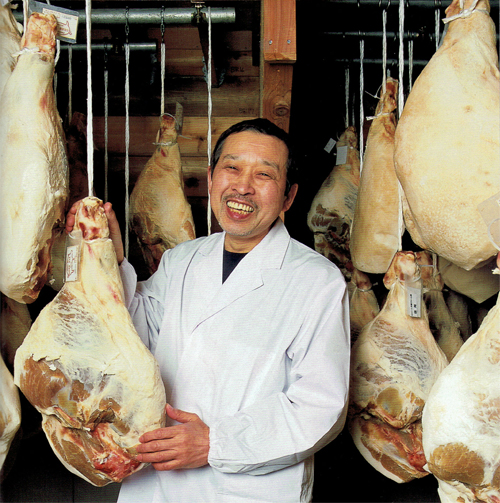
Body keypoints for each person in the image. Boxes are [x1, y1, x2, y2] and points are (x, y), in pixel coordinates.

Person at [67, 118, 350, 503]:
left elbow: (319, 407)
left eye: (264, 174)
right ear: (212, 177)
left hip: (246, 490)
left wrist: (216, 443)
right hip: (155, 482)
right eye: (232, 168)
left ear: (289, 196)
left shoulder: (316, 281)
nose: (243, 186)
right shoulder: (181, 260)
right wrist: (110, 258)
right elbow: (131, 337)